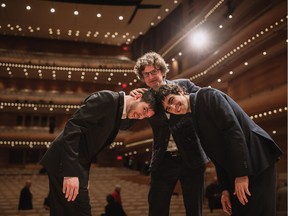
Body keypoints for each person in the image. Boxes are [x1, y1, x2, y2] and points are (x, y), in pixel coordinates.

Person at [156, 84, 283, 216]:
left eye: (171, 100)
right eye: (168, 109)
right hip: (238, 168)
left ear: (180, 91)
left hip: (256, 160)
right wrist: (225, 189)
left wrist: (241, 174)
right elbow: (217, 154)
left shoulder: (207, 95)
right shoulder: (194, 116)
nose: (172, 108)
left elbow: (233, 132)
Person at [40, 89, 156, 216]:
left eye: (146, 116)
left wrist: (83, 175)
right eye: (144, 109)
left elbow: (88, 147)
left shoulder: (121, 113)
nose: (141, 116)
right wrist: (71, 173)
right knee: (80, 211)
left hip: (77, 162)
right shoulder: (106, 98)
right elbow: (73, 128)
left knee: (65, 211)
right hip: (65, 160)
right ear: (138, 96)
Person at [124, 51, 209, 216]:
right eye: (146, 74)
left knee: (194, 210)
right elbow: (126, 124)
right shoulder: (146, 97)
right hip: (163, 160)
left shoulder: (184, 85)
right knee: (156, 209)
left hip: (192, 158)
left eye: (154, 72)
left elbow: (206, 101)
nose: (151, 77)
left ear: (162, 71)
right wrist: (131, 101)